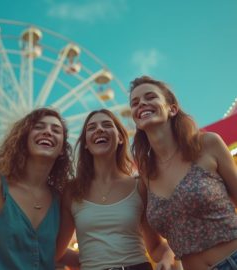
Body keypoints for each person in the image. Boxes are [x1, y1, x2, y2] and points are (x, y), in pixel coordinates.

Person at [129, 75, 237, 270]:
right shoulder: (145, 176)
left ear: (172, 109)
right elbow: (154, 247)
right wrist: (166, 259)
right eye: (135, 103)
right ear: (135, 120)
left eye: (150, 97)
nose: (142, 103)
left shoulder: (207, 145)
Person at [55, 109, 178, 270]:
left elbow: (155, 247)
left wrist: (168, 257)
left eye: (107, 125)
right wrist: (86, 261)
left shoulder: (139, 186)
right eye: (92, 127)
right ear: (85, 143)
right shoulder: (72, 191)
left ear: (120, 138)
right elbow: (57, 251)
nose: (99, 129)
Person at [0, 108, 75, 270]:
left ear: (62, 150)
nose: (47, 132)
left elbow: (52, 253)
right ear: (24, 139)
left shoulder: (59, 200)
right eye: (39, 127)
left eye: (56, 130)